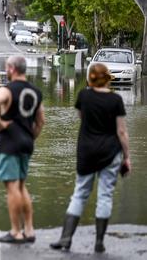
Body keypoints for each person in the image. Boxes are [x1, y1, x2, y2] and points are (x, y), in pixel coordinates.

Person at [50, 64, 131, 253]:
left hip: (86, 152)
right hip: (110, 153)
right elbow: (121, 131)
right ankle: (99, 242)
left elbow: (81, 116)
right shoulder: (115, 100)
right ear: (107, 78)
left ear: (91, 78)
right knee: (105, 196)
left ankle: (66, 238)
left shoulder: (83, 96)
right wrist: (127, 157)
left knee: (79, 193)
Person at [0, 56, 45, 244]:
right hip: (27, 142)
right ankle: (29, 230)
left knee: (12, 188)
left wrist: (1, 124)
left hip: (9, 143)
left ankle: (15, 232)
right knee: (21, 186)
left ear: (11, 69)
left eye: (6, 68)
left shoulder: (7, 90)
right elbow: (41, 121)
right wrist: (30, 137)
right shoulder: (35, 92)